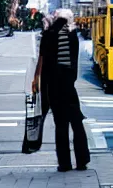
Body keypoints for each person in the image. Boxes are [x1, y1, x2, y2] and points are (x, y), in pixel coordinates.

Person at [33, 9, 90, 172]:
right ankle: (82, 161)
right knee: (77, 122)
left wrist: (42, 89)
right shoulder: (72, 36)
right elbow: (74, 63)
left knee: (61, 124)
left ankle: (64, 164)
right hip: (68, 86)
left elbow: (42, 62)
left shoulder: (48, 34)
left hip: (53, 86)